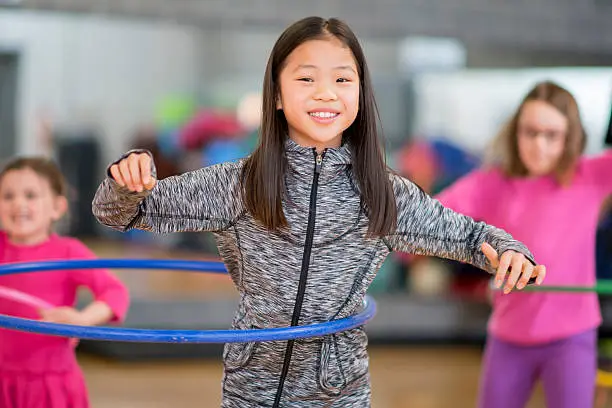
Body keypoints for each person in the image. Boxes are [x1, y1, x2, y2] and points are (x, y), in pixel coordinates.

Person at [92, 16, 545, 408]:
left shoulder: (383, 193)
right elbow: (119, 213)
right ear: (276, 95)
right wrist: (126, 180)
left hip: (340, 392)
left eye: (343, 80)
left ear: (360, 94)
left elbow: (466, 236)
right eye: (306, 79)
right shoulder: (237, 183)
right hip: (253, 389)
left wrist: (509, 251)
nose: (326, 93)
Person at [437, 81, 612, 408]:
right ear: (516, 132)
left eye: (552, 135)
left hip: (572, 339)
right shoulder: (491, 183)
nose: (539, 146)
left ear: (569, 137)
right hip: (508, 337)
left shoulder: (589, 176)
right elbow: (429, 216)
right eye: (529, 132)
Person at [0, 157, 130, 407]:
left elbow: (115, 292)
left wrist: (82, 320)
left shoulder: (68, 252)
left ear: (57, 207)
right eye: (7, 196)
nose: (18, 203)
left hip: (51, 385)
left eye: (30, 195)